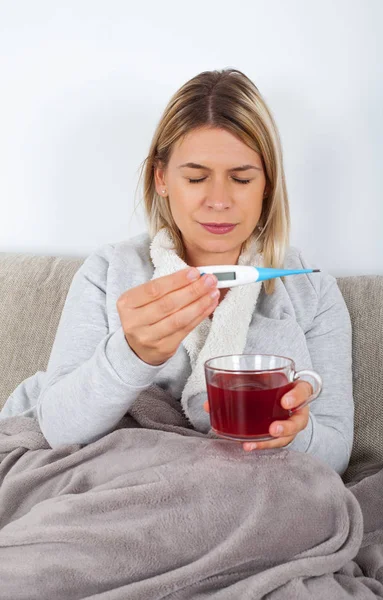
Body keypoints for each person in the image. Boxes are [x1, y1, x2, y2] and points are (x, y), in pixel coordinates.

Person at [0, 68, 353, 474]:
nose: (218, 200)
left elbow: (336, 456)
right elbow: (60, 430)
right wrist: (133, 354)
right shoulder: (108, 272)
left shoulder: (313, 291)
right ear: (162, 178)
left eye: (241, 178)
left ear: (267, 185)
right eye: (196, 177)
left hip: (254, 487)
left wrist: (294, 432)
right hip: (124, 480)